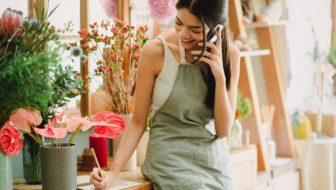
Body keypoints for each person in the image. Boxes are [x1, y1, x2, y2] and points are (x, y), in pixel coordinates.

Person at [90, 0, 240, 189]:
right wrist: (113, 172)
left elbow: (223, 130)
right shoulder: (155, 52)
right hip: (168, 164)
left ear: (215, 29)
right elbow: (137, 123)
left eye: (195, 29)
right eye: (178, 23)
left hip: (214, 166)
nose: (184, 34)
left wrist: (219, 76)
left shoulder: (230, 55)